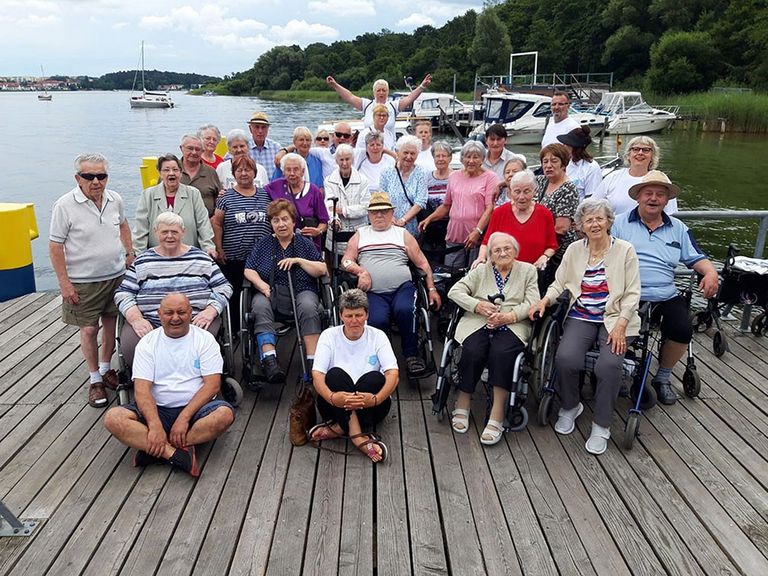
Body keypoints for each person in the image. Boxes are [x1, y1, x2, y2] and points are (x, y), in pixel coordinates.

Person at [530, 198, 642, 455]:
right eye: (588, 220)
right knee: (566, 358)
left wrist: (621, 324)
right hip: (581, 315)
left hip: (615, 318)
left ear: (609, 222)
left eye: (599, 219)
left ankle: (602, 425)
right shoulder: (574, 250)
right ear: (580, 226)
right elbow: (560, 283)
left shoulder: (625, 250)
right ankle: (571, 406)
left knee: (609, 365)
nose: (594, 224)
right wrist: (544, 300)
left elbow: (633, 293)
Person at [611, 171, 718, 405]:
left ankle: (663, 377)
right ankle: (621, 369)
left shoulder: (678, 228)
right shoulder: (617, 223)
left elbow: (696, 257)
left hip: (665, 293)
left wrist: (711, 272)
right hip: (626, 292)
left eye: (660, 194)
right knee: (612, 325)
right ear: (638, 196)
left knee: (682, 330)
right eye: (648, 193)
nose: (653, 198)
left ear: (667, 200)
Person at [103, 293, 235, 477]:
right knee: (113, 418)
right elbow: (142, 390)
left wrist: (184, 418)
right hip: (157, 409)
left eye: (181, 312)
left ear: (190, 313)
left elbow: (212, 386)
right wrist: (154, 425)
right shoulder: (147, 343)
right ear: (159, 314)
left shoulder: (205, 340)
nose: (175, 318)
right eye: (169, 313)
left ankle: (153, 447)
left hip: (196, 410)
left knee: (224, 415)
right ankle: (174, 453)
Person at [49, 153, 134, 408]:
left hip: (115, 275)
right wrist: (64, 283)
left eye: (101, 176)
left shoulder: (115, 199)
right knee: (88, 329)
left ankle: (106, 368)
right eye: (89, 176)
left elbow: (123, 225)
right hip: (82, 280)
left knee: (110, 324)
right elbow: (55, 246)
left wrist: (129, 252)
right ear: (78, 178)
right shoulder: (64, 205)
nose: (96, 181)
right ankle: (94, 378)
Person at [448, 232, 539, 445]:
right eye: (497, 250)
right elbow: (454, 291)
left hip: (513, 324)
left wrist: (509, 316)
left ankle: (497, 412)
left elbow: (532, 302)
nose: (502, 253)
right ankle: (463, 400)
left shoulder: (528, 270)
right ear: (490, 255)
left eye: (507, 248)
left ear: (515, 251)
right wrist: (477, 305)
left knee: (502, 353)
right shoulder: (481, 270)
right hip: (479, 321)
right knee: (472, 349)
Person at [341, 192, 441, 376]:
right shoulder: (360, 234)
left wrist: (431, 288)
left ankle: (412, 355)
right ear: (369, 214)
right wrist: (360, 271)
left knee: (405, 310)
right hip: (373, 292)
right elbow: (346, 261)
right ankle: (380, 359)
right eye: (375, 212)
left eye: (384, 211)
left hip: (402, 288)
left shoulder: (402, 234)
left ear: (392, 212)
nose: (379, 215)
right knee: (376, 320)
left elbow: (423, 264)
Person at [115, 211, 232, 366]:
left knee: (203, 348)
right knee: (132, 347)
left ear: (183, 232)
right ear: (156, 232)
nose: (169, 236)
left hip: (195, 321)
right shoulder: (142, 262)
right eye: (164, 232)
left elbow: (224, 287)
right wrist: (136, 319)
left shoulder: (202, 259)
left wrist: (210, 311)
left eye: (174, 232)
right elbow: (123, 293)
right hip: (151, 322)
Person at [309, 289, 398, 463]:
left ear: (367, 315)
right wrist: (333, 397)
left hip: (371, 407)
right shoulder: (329, 335)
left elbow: (393, 373)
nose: (354, 321)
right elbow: (317, 375)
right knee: (335, 375)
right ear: (341, 315)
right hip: (335, 406)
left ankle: (338, 428)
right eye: (349, 316)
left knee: (375, 378)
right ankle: (358, 438)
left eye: (359, 315)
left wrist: (376, 399)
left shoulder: (378, 336)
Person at [244, 199, 328, 384]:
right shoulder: (263, 244)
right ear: (271, 223)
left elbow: (322, 269)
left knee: (308, 306)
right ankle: (269, 360)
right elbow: (249, 269)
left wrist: (299, 261)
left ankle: (313, 362)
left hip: (302, 289)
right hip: (271, 291)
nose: (281, 224)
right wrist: (262, 286)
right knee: (259, 305)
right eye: (276, 220)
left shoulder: (305, 244)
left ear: (293, 221)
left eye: (284, 219)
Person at [418, 141, 498, 268]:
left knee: (474, 272)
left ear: (483, 159)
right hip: (454, 234)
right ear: (462, 159)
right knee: (451, 272)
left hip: (476, 236)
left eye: (475, 157)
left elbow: (490, 208)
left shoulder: (490, 177)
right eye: (467, 157)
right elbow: (446, 205)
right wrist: (429, 219)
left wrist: (478, 231)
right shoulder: (454, 176)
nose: (471, 161)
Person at [211, 155, 271, 326]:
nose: (244, 173)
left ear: (255, 173)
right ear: (234, 173)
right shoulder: (225, 197)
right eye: (239, 170)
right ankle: (237, 328)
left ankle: (260, 325)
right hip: (234, 258)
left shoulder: (265, 195)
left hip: (261, 258)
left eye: (247, 170)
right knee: (235, 294)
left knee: (260, 293)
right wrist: (219, 248)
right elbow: (217, 223)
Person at [133, 154, 215, 258]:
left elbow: (203, 224)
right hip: (157, 258)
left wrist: (208, 248)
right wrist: (140, 255)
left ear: (181, 172)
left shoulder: (193, 193)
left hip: (188, 256)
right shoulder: (148, 195)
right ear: (159, 173)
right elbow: (141, 228)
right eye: (166, 170)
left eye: (175, 170)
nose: (171, 173)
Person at [476, 169, 558, 270]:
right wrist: (481, 258)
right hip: (504, 271)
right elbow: (486, 242)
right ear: (511, 192)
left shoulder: (545, 214)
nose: (521, 197)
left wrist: (544, 257)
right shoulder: (499, 213)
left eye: (526, 191)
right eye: (517, 192)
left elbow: (552, 246)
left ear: (534, 192)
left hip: (533, 271)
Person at [326, 74, 432, 143]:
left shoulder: (394, 106)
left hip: (388, 147)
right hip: (370, 147)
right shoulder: (367, 105)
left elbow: (410, 98)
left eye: (384, 90)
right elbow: (350, 97)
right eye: (378, 90)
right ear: (374, 92)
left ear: (387, 92)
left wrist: (422, 86)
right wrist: (335, 85)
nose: (381, 93)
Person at [595, 136, 678, 215]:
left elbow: (670, 213)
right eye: (636, 149)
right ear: (628, 154)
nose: (640, 153)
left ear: (652, 156)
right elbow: (593, 205)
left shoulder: (661, 179)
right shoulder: (612, 177)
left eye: (646, 150)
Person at [265, 153, 329, 250]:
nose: (292, 173)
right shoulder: (275, 187)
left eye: (296, 169)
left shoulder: (313, 191)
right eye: (288, 170)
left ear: (302, 172)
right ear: (283, 172)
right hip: (282, 246)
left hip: (308, 245)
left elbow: (324, 221)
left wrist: (318, 231)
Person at [324, 144, 370, 256]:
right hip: (337, 231)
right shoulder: (329, 180)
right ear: (336, 161)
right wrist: (334, 218)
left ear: (352, 159)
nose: (344, 163)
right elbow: (329, 204)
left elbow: (366, 207)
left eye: (347, 159)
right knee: (335, 261)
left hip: (358, 230)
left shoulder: (363, 180)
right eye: (341, 160)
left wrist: (343, 210)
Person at [536, 143, 579, 264]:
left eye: (554, 161)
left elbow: (561, 228)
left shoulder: (568, 189)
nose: (548, 165)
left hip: (557, 251)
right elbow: (520, 181)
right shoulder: (541, 181)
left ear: (563, 164)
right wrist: (500, 185)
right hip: (539, 240)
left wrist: (545, 251)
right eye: (545, 161)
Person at [379, 134, 428, 236]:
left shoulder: (421, 173)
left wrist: (403, 220)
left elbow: (420, 201)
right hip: (389, 224)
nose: (409, 157)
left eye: (412, 153)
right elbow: (382, 197)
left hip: (412, 227)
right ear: (397, 152)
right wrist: (391, 218)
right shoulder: (386, 172)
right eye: (405, 152)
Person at [419, 141, 454, 256]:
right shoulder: (427, 177)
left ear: (450, 158)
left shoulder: (456, 176)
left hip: (450, 225)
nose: (440, 159)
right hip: (431, 225)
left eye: (444, 156)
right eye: (437, 156)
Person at [179, 134, 222, 218]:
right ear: (181, 148)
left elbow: (219, 199)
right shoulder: (171, 170)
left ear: (202, 151)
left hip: (206, 222)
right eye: (190, 148)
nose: (194, 152)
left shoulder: (211, 172)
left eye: (197, 149)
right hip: (175, 223)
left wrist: (214, 219)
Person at [557, 126, 604, 201]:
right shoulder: (564, 163)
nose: (563, 147)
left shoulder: (591, 168)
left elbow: (592, 200)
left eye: (567, 145)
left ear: (576, 148)